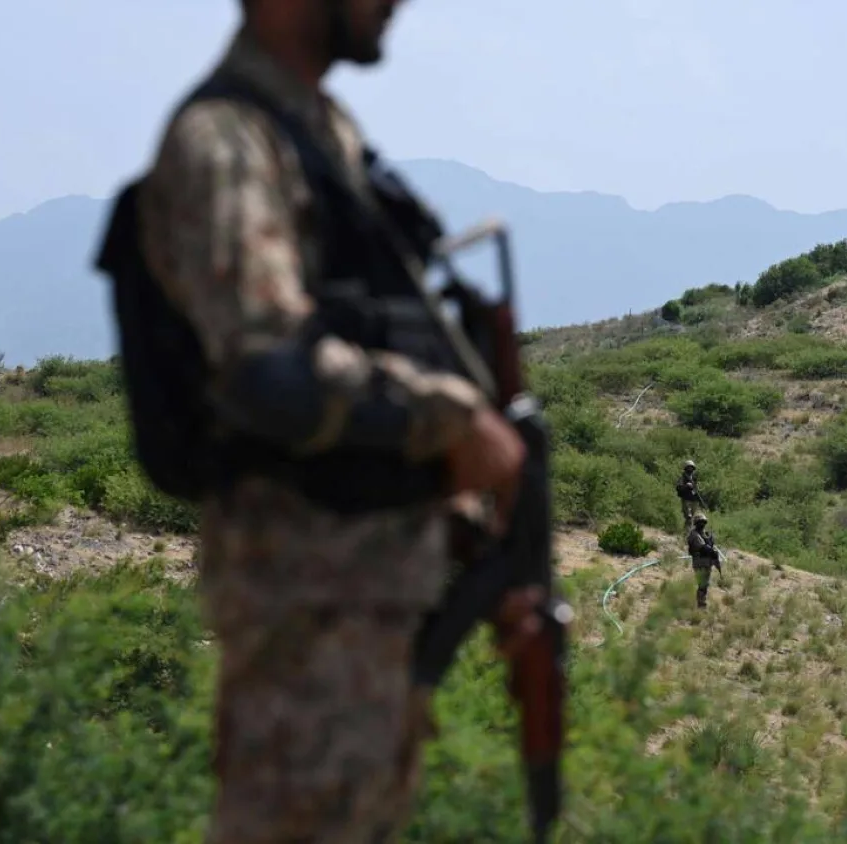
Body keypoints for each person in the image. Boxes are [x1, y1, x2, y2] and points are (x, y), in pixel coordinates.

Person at [131, 1, 541, 840]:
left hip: (370, 618)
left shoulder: (323, 134)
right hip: (304, 619)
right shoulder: (228, 139)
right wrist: (455, 420)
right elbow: (268, 367)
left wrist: (479, 547)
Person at [686, 513, 721, 609]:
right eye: (700, 523)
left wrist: (710, 540)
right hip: (699, 562)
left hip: (706, 563)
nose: (702, 525)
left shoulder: (703, 534)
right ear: (696, 523)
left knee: (704, 585)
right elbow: (704, 548)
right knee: (702, 584)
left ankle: (701, 604)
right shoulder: (694, 535)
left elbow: (709, 547)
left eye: (703, 523)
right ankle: (701, 606)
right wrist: (710, 545)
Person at [675, 459, 700, 527]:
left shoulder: (694, 478)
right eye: (689, 467)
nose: (690, 469)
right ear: (686, 468)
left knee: (691, 518)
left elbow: (697, 488)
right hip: (686, 499)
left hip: (694, 500)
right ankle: (687, 532)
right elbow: (678, 488)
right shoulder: (682, 477)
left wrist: (696, 489)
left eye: (691, 467)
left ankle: (686, 531)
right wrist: (686, 486)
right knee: (688, 516)